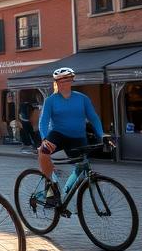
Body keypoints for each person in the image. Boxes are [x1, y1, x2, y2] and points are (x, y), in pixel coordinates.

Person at [38, 66, 107, 205]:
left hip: (78, 137)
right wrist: (44, 139)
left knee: (81, 167)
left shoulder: (82, 99)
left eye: (66, 80)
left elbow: (93, 117)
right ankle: (49, 186)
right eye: (59, 81)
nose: (62, 84)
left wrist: (102, 135)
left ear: (71, 81)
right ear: (56, 83)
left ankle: (65, 194)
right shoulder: (51, 100)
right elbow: (43, 122)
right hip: (58, 135)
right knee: (43, 151)